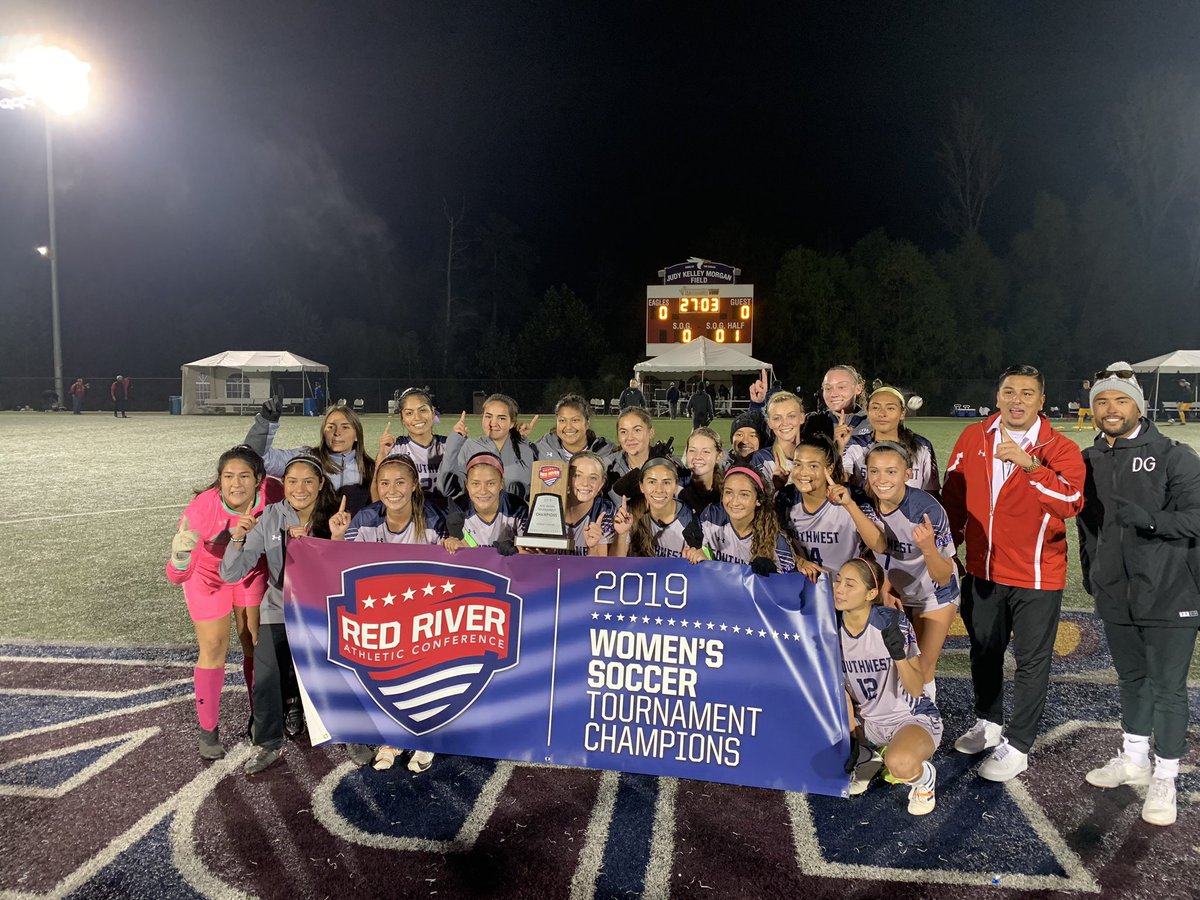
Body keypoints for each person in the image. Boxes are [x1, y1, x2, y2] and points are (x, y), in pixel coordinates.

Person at [942, 364, 1086, 782]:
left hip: (1036, 574)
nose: (1016, 400)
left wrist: (1029, 465)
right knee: (983, 649)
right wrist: (951, 547)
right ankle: (989, 722)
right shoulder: (975, 436)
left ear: (1041, 400)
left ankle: (1019, 745)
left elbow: (1071, 502)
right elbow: (954, 495)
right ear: (997, 396)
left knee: (1031, 660)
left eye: (1027, 393)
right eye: (1009, 392)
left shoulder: (1058, 447)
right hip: (984, 569)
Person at [1077, 364, 1200, 827]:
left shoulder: (1173, 455)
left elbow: (1197, 518)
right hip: (1115, 592)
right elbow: (1086, 526)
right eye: (1103, 402)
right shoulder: (1090, 459)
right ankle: (1134, 760)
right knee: (1132, 681)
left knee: (1168, 688)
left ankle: (1166, 776)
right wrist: (1092, 572)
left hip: (1171, 592)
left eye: (1120, 400)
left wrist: (1149, 519)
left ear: (1137, 407)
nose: (1111, 409)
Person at [220, 453, 340, 775]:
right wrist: (238, 537)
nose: (299, 488)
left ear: (320, 485)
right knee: (267, 673)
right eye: (292, 481)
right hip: (278, 606)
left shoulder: (335, 517)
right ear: (283, 484)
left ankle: (345, 731)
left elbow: (345, 572)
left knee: (336, 669)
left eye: (308, 481)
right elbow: (232, 573)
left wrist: (332, 540)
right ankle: (269, 743)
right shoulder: (271, 516)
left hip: (321, 609)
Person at [332, 454, 448, 773]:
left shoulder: (434, 519)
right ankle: (391, 740)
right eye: (384, 483)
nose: (392, 489)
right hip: (382, 613)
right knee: (388, 679)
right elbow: (341, 566)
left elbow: (460, 560)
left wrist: (456, 544)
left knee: (426, 678)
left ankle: (426, 741)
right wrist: (338, 539)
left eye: (400, 482)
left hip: (425, 614)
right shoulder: (367, 517)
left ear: (414, 485)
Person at [167, 445, 281, 759]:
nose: (235, 483)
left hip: (249, 570)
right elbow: (178, 576)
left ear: (259, 479)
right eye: (228, 476)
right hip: (209, 575)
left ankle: (260, 719)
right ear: (219, 480)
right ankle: (208, 730)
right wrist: (179, 559)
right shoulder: (201, 508)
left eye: (244, 476)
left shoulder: (274, 493)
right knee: (214, 647)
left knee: (255, 644)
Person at [837, 556, 941, 816]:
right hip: (867, 723)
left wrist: (900, 658)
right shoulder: (830, 625)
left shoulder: (891, 622)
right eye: (838, 581)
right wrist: (853, 737)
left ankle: (924, 780)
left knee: (900, 765)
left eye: (850, 584)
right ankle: (866, 755)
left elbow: (917, 688)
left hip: (909, 717)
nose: (839, 589)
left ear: (872, 593)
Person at [859, 442, 960, 702]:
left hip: (933, 595)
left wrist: (928, 548)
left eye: (891, 472)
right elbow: (874, 551)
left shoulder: (926, 510)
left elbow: (943, 575)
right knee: (892, 665)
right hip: (897, 593)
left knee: (921, 670)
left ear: (908, 474)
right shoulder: (866, 502)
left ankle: (926, 731)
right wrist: (884, 587)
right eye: (875, 471)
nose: (882, 480)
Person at [777, 433, 886, 582]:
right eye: (797, 464)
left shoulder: (851, 497)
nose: (803, 472)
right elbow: (772, 540)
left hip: (845, 590)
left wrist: (849, 505)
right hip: (804, 589)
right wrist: (797, 560)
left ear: (829, 469)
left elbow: (879, 546)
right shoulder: (786, 498)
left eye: (813, 466)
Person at [245, 400, 376, 515]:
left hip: (354, 538)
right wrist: (266, 423)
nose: (337, 433)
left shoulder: (371, 468)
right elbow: (255, 458)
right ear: (323, 432)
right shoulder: (306, 458)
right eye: (331, 427)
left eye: (345, 427)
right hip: (309, 536)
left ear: (357, 435)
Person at [686, 466, 795, 574]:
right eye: (729, 492)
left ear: (758, 500)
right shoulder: (710, 519)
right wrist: (697, 554)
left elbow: (788, 584)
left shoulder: (775, 539)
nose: (734, 502)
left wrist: (773, 576)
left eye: (744, 494)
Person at [843, 386, 940, 495]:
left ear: (902, 413)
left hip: (911, 511)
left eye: (890, 408)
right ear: (867, 412)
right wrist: (839, 447)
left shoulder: (922, 446)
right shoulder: (854, 444)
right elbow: (840, 483)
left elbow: (932, 492)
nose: (882, 414)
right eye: (875, 408)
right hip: (863, 511)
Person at [441, 394, 535, 502]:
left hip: (516, 517)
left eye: (501, 418)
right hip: (476, 517)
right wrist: (454, 443)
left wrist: (522, 442)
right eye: (488, 416)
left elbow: (533, 493)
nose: (493, 423)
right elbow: (448, 489)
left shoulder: (526, 450)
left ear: (512, 423)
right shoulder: (469, 447)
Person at [611, 457, 700, 559]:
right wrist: (621, 535)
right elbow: (614, 565)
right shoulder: (630, 514)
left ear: (675, 487)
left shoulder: (690, 520)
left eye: (666, 482)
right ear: (641, 487)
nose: (659, 490)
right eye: (652, 482)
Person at [442, 452, 527, 553]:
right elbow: (468, 547)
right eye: (475, 483)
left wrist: (516, 550)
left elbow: (531, 553)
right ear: (467, 484)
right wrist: (454, 542)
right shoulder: (458, 508)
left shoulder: (517, 508)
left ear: (501, 484)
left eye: (491, 483)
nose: (483, 491)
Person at [378, 387, 450, 503]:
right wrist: (382, 454)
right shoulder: (396, 449)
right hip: (410, 516)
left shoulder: (448, 445)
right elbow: (380, 494)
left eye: (422, 410)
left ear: (432, 412)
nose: (417, 417)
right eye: (409, 413)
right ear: (402, 419)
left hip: (445, 516)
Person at [561, 451, 617, 556]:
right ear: (567, 478)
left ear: (601, 484)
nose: (585, 483)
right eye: (577, 475)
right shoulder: (551, 504)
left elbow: (599, 569)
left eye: (593, 478)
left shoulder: (605, 512)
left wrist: (593, 547)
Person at [532, 393, 614, 464]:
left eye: (575, 420)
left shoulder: (606, 451)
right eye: (562, 420)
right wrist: (520, 440)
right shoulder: (544, 446)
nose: (568, 427)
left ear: (587, 423)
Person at [749, 390, 806, 489]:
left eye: (791, 416)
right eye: (777, 418)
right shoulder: (762, 459)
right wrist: (776, 487)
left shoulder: (816, 454)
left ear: (802, 417)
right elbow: (757, 500)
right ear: (769, 423)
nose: (785, 423)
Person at [678, 426, 723, 515]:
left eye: (705, 451)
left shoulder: (726, 492)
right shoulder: (675, 488)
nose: (697, 456)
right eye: (692, 450)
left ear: (718, 457)